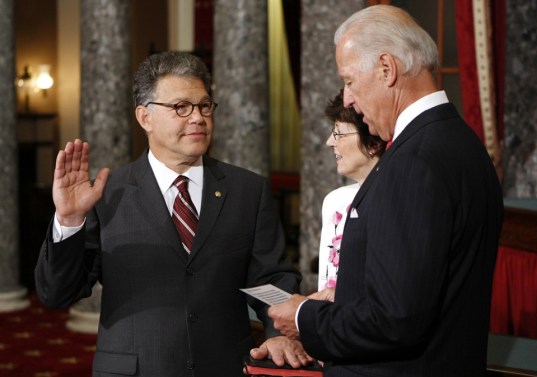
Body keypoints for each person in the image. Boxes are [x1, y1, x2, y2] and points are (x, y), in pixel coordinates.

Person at [34, 51, 309, 377]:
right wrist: (68, 220)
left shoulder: (247, 190)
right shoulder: (108, 194)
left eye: (204, 106)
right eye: (181, 107)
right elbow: (57, 293)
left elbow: (272, 278)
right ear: (144, 117)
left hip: (225, 367)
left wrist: (279, 334)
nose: (198, 118)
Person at [264, 5, 504, 377]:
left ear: (387, 69)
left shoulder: (413, 160)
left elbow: (395, 319)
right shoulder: (463, 143)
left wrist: (304, 316)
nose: (347, 99)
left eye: (349, 80)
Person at [318, 91, 385, 290]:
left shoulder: (394, 199)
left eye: (338, 132)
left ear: (373, 143)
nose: (330, 142)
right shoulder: (336, 201)